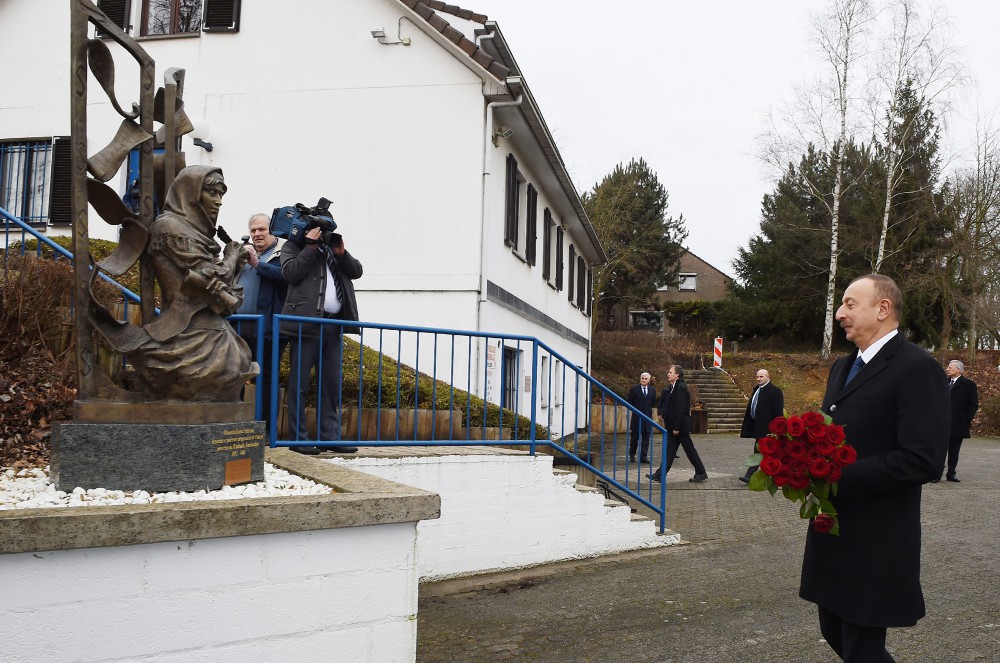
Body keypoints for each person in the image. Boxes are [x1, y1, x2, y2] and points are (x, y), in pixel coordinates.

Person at [800, 274, 948, 663]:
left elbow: (923, 459)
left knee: (861, 647)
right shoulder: (842, 367)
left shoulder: (916, 367)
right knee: (833, 630)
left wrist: (834, 477)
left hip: (877, 537)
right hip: (833, 530)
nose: (839, 313)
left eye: (850, 304)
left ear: (883, 309)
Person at [93, 166, 255, 401]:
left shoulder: (196, 232)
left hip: (208, 326)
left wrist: (232, 263)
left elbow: (220, 288)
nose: (218, 201)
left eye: (221, 194)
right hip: (186, 329)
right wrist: (231, 257)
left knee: (235, 365)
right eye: (211, 192)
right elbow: (208, 278)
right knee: (218, 370)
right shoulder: (170, 227)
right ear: (190, 192)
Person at [280, 225, 363, 454]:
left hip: (333, 326)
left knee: (330, 384)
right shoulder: (293, 246)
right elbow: (290, 273)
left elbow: (356, 271)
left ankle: (329, 437)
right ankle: (298, 439)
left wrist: (342, 253)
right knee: (300, 384)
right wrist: (309, 247)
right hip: (306, 325)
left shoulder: (331, 250)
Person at [235, 213, 288, 427]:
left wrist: (257, 263)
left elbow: (286, 277)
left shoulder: (285, 252)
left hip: (267, 327)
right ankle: (232, 426)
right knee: (234, 375)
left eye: (262, 229)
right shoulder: (243, 252)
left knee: (266, 378)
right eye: (253, 230)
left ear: (272, 231)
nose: (257, 234)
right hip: (238, 325)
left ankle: (266, 429)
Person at [648, 365, 707, 483]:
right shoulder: (673, 387)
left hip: (680, 427)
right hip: (674, 426)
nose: (668, 374)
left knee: (689, 450)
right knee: (670, 450)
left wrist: (676, 427)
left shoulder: (681, 388)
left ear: (677, 375)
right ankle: (660, 474)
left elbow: (680, 409)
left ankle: (701, 472)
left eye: (670, 372)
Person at [932, 359, 978, 483]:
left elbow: (973, 405)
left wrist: (965, 419)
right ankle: (936, 474)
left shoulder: (968, 385)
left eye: (950, 368)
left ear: (958, 370)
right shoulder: (943, 383)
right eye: (947, 367)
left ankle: (951, 474)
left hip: (958, 424)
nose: (947, 369)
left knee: (954, 451)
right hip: (942, 424)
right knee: (939, 450)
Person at [738, 368, 784, 483]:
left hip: (768, 429)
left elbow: (778, 412)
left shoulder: (775, 391)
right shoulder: (757, 390)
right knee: (762, 452)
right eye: (757, 377)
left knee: (760, 451)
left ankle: (749, 475)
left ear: (768, 377)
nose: (758, 379)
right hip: (757, 426)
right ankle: (770, 474)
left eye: (761, 377)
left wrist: (776, 429)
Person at [626, 372, 656, 463]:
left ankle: (643, 457)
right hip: (637, 418)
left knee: (646, 439)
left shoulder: (652, 390)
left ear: (649, 380)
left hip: (647, 418)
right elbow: (630, 402)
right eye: (642, 378)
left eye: (646, 379)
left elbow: (653, 402)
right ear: (640, 379)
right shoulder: (634, 389)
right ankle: (632, 455)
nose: (643, 380)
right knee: (634, 438)